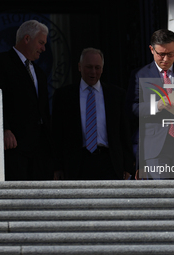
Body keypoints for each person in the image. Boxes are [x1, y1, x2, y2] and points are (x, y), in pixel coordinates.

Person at [126, 29, 174, 179]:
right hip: (156, 147)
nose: (166, 59)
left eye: (171, 54)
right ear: (151, 49)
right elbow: (132, 108)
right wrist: (157, 105)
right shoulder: (140, 74)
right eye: (161, 54)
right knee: (163, 197)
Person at [52, 48, 135, 180]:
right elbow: (57, 134)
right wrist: (57, 166)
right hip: (77, 164)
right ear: (79, 67)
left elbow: (124, 132)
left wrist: (128, 166)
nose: (93, 72)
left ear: (102, 69)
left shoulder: (116, 95)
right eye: (89, 67)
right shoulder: (64, 96)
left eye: (97, 67)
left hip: (110, 162)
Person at [0, 20, 53, 181]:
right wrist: (4, 128)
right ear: (26, 39)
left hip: (40, 150)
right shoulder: (0, 62)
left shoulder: (39, 73)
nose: (43, 49)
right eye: (41, 43)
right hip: (15, 146)